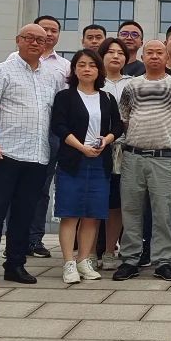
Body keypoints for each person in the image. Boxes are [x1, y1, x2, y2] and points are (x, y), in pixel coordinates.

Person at [0, 23, 64, 289]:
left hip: (37, 155)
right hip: (4, 153)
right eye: (29, 38)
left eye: (40, 40)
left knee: (25, 214)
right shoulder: (2, 70)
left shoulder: (52, 75)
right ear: (18, 40)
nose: (35, 43)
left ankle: (15, 264)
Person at [113, 39, 171, 281]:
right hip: (133, 157)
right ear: (143, 57)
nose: (155, 56)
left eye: (160, 52)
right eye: (150, 52)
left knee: (162, 213)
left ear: (166, 56)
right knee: (131, 211)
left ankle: (163, 261)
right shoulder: (131, 86)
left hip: (164, 159)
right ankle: (130, 260)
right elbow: (124, 119)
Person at [51, 48, 123, 283]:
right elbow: (59, 126)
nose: (87, 69)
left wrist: (106, 140)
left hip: (100, 162)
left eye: (92, 65)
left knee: (93, 215)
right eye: (81, 65)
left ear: (99, 70)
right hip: (73, 161)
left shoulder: (107, 98)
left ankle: (84, 260)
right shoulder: (65, 96)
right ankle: (69, 263)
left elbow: (117, 127)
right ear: (74, 70)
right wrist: (81, 147)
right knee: (70, 214)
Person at [13, 14, 72, 261]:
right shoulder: (13, 61)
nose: (48, 34)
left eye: (53, 30)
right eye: (43, 29)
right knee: (16, 190)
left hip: (50, 134)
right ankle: (15, 240)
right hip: (20, 135)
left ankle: (34, 239)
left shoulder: (65, 66)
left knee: (41, 188)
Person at [97, 37, 131, 265]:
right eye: (110, 52)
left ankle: (110, 250)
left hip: (125, 149)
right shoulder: (93, 82)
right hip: (96, 148)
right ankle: (90, 251)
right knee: (95, 199)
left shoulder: (134, 83)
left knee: (117, 202)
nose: (116, 56)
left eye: (120, 53)